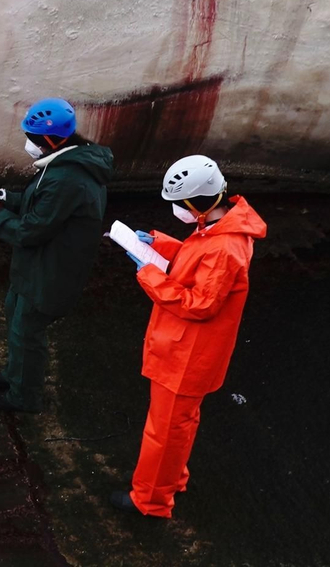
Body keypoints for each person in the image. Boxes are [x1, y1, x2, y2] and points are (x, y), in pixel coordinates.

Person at [112, 155, 266, 518]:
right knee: (179, 424)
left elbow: (199, 303)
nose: (176, 211)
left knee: (163, 433)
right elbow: (195, 260)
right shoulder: (222, 228)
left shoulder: (224, 245)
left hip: (186, 355)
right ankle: (171, 479)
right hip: (191, 352)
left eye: (178, 205)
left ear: (196, 204)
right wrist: (158, 244)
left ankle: (150, 501)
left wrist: (149, 274)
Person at [0, 98, 114, 414]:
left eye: (34, 139)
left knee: (27, 332)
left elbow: (30, 230)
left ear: (51, 140)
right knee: (15, 318)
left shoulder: (68, 178)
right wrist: (7, 198)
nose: (29, 144)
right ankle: (15, 375)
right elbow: (41, 203)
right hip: (37, 266)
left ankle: (24, 397)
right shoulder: (64, 165)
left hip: (51, 272)